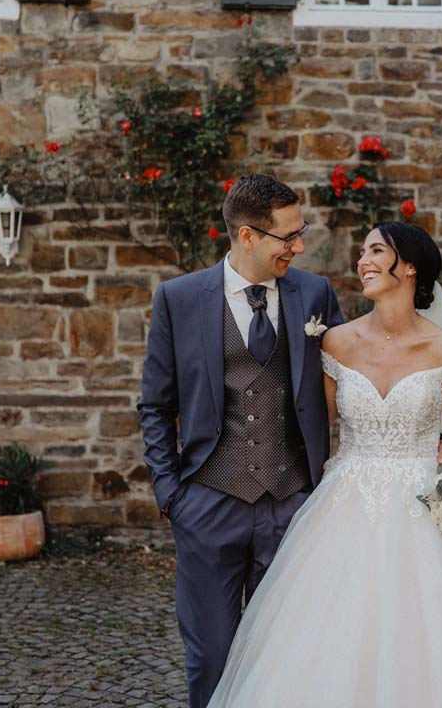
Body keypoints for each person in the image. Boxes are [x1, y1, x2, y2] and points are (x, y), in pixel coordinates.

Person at [206, 223, 442, 707]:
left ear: (409, 267)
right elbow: (315, 425)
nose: (362, 260)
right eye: (363, 251)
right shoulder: (336, 342)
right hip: (344, 505)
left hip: (423, 506)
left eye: (376, 251)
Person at [138, 174, 345, 708]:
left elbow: (354, 377)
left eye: (300, 233)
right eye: (288, 237)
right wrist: (171, 495)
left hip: (293, 504)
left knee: (291, 654)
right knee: (211, 656)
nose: (298, 247)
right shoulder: (180, 299)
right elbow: (156, 405)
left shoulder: (314, 294)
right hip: (207, 504)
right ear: (248, 236)